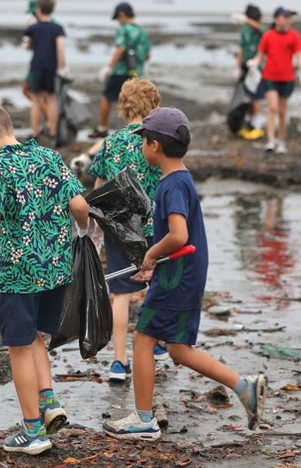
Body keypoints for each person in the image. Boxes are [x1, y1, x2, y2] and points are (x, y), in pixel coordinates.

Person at [102, 107, 267, 441]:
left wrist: (150, 254)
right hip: (183, 273)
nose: (142, 148)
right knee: (178, 349)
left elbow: (178, 235)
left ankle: (144, 419)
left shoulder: (171, 187)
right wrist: (154, 266)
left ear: (155, 147)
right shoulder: (180, 179)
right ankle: (244, 386)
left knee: (143, 339)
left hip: (178, 277)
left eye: (143, 142)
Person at [0, 103, 90, 455]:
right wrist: (84, 231)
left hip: (21, 274)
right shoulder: (48, 157)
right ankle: (48, 401)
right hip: (56, 269)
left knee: (18, 346)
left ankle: (33, 431)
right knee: (34, 333)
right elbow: (80, 204)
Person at [86, 78, 168, 382]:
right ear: (154, 106)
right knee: (156, 285)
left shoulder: (110, 143)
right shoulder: (156, 138)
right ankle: (157, 343)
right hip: (153, 226)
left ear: (123, 106)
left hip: (119, 229)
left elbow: (98, 188)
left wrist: (94, 228)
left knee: (120, 294)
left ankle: (119, 361)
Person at [248, 6, 301, 154]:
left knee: (282, 112)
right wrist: (254, 63)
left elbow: (299, 57)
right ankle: (271, 141)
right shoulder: (268, 35)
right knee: (272, 108)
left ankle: (281, 141)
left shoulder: (294, 36)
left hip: (287, 79)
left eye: (290, 18)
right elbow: (260, 55)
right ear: (277, 19)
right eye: (286, 17)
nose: (289, 21)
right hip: (270, 77)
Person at [89, 2, 151, 139]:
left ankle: (102, 128)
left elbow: (120, 48)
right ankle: (136, 130)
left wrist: (109, 67)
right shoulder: (141, 31)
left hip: (120, 71)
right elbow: (148, 55)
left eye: (118, 18)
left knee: (106, 97)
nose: (118, 21)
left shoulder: (122, 29)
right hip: (137, 72)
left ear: (122, 14)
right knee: (135, 101)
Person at [23, 0, 68, 146]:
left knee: (36, 101)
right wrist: (62, 67)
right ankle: (53, 134)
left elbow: (29, 45)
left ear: (38, 9)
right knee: (51, 100)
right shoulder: (58, 28)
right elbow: (60, 49)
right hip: (51, 67)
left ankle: (35, 134)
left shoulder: (33, 27)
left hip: (37, 66)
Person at [235, 4, 267, 140]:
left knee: (256, 97)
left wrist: (246, 20)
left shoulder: (262, 30)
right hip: (245, 68)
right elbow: (241, 49)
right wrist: (237, 68)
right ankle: (250, 124)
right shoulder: (245, 31)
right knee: (246, 97)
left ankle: (257, 126)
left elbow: (262, 29)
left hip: (258, 69)